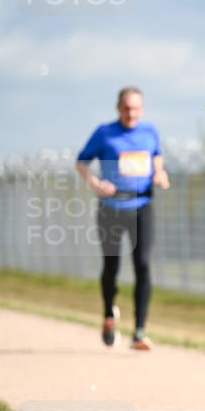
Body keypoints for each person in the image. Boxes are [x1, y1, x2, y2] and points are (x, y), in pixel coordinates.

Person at [76, 87, 170, 351]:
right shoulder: (104, 133)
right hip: (111, 207)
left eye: (136, 108)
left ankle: (139, 331)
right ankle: (109, 314)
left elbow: (157, 157)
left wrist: (159, 174)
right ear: (118, 108)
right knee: (112, 266)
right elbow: (81, 162)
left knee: (143, 264)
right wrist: (95, 183)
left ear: (142, 109)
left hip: (142, 205)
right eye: (127, 108)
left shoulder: (150, 132)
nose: (131, 113)